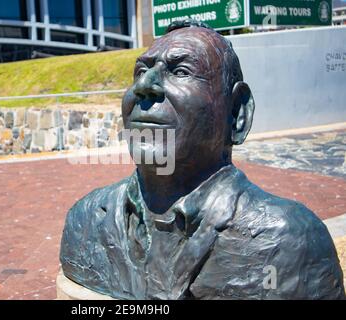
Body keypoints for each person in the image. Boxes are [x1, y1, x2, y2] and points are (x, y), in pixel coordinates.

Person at [59, 20, 345, 300]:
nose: (144, 86)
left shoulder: (289, 241)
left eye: (181, 71)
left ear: (236, 113)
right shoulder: (86, 221)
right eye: (140, 71)